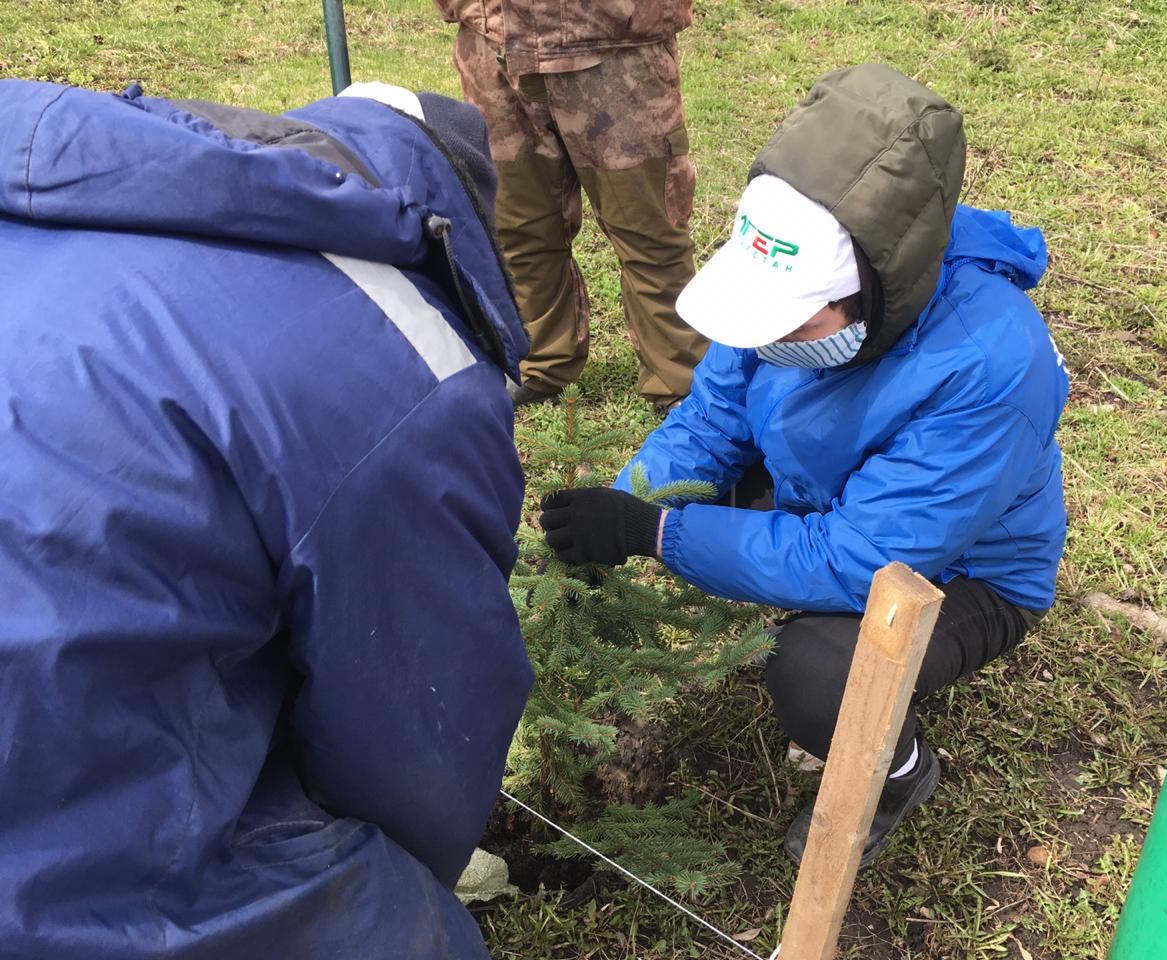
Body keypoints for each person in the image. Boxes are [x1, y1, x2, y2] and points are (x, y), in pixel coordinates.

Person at [0, 79, 532, 958]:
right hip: (42, 837)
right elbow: (420, 733)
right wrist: (381, 855)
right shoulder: (406, 364)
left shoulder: (67, 218)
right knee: (409, 931)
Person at [538, 64, 1070, 865]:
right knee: (752, 522)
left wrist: (657, 535)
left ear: (875, 286)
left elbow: (861, 562)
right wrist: (623, 506)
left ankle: (899, 773)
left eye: (790, 320)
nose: (767, 340)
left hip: (966, 573)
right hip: (830, 499)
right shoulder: (794, 284)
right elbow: (713, 417)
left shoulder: (988, 363)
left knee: (820, 671)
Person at [434, 0, 709, 409]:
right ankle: (540, 360)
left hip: (614, 42)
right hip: (494, 39)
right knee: (517, 225)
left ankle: (681, 383)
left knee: (649, 231)